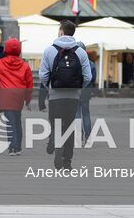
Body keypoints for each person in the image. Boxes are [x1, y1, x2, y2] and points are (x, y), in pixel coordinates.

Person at [39, 20, 93, 168]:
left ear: (61, 32)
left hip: (55, 95)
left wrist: (49, 87)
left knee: (56, 123)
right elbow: (88, 77)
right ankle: (67, 161)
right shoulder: (81, 52)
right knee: (69, 127)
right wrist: (78, 88)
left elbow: (43, 75)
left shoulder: (49, 50)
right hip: (73, 96)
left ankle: (56, 146)